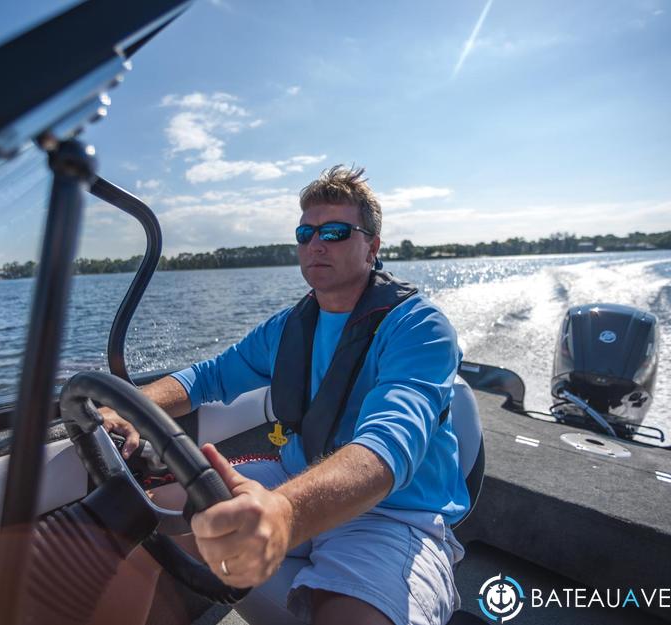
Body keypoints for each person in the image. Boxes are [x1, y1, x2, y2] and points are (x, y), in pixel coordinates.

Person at [100, 165, 468, 625]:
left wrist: (285, 512)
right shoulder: (287, 328)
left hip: (390, 516)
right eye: (305, 232)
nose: (316, 243)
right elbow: (205, 377)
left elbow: (391, 444)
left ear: (372, 247)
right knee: (144, 533)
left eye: (335, 232)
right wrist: (128, 408)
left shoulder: (419, 327)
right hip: (290, 475)